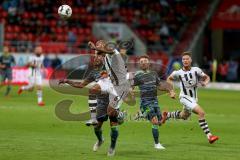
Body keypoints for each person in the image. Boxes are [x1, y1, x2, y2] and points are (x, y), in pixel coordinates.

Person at [87, 40, 134, 156]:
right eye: (97, 46)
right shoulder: (104, 59)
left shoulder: (112, 53)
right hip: (109, 90)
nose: (98, 48)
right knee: (97, 125)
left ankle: (112, 146)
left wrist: (94, 48)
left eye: (100, 46)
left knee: (112, 116)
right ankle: (100, 140)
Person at [162, 51, 219, 144]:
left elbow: (207, 77)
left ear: (191, 60)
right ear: (182, 61)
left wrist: (205, 83)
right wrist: (171, 91)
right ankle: (209, 136)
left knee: (184, 116)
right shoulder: (178, 72)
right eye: (183, 59)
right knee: (201, 112)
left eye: (187, 59)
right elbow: (169, 79)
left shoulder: (196, 70)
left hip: (194, 98)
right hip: (184, 97)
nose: (185, 60)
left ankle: (167, 115)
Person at [133, 55, 175, 149]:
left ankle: (143, 114)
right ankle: (157, 144)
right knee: (155, 121)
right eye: (141, 61)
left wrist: (169, 90)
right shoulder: (137, 75)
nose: (143, 62)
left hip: (155, 102)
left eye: (145, 61)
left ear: (148, 63)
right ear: (140, 64)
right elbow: (131, 86)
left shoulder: (154, 74)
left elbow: (159, 85)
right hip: (145, 102)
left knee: (159, 122)